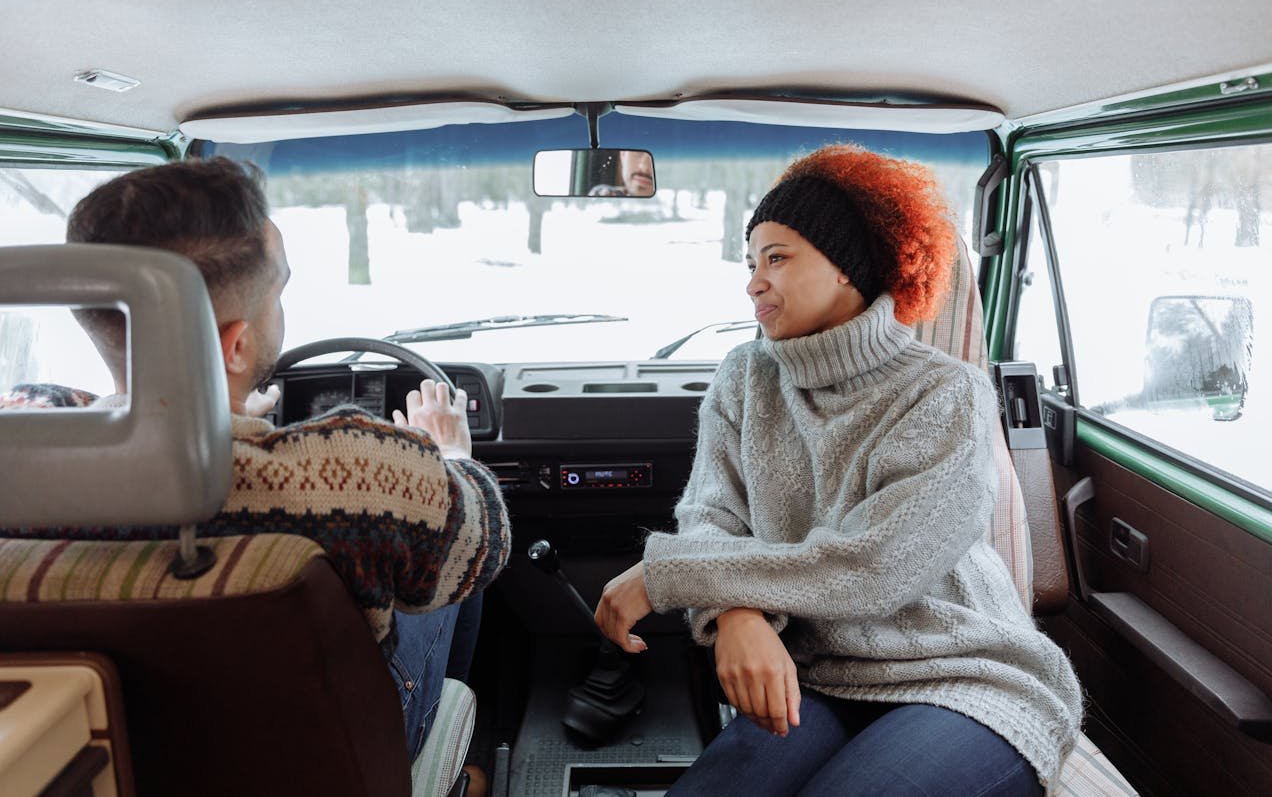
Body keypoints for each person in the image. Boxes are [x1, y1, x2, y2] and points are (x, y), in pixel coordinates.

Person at [594, 145, 1082, 794]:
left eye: (777, 258)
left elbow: (872, 565)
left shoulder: (947, 393)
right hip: (821, 669)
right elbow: (710, 515)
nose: (753, 281)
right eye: (749, 263)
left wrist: (669, 575)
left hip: (964, 671)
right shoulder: (744, 376)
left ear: (847, 269)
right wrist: (737, 613)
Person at [0, 157, 511, 766]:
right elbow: (486, 543)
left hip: (99, 758)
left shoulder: (24, 444)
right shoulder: (367, 473)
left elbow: (68, 404)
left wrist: (237, 418)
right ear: (237, 343)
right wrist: (449, 453)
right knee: (445, 541)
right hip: (335, 759)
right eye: (279, 290)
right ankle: (450, 759)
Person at [587, 149, 656, 197]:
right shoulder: (600, 193)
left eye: (654, 158)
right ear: (622, 155)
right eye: (638, 153)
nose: (644, 167)